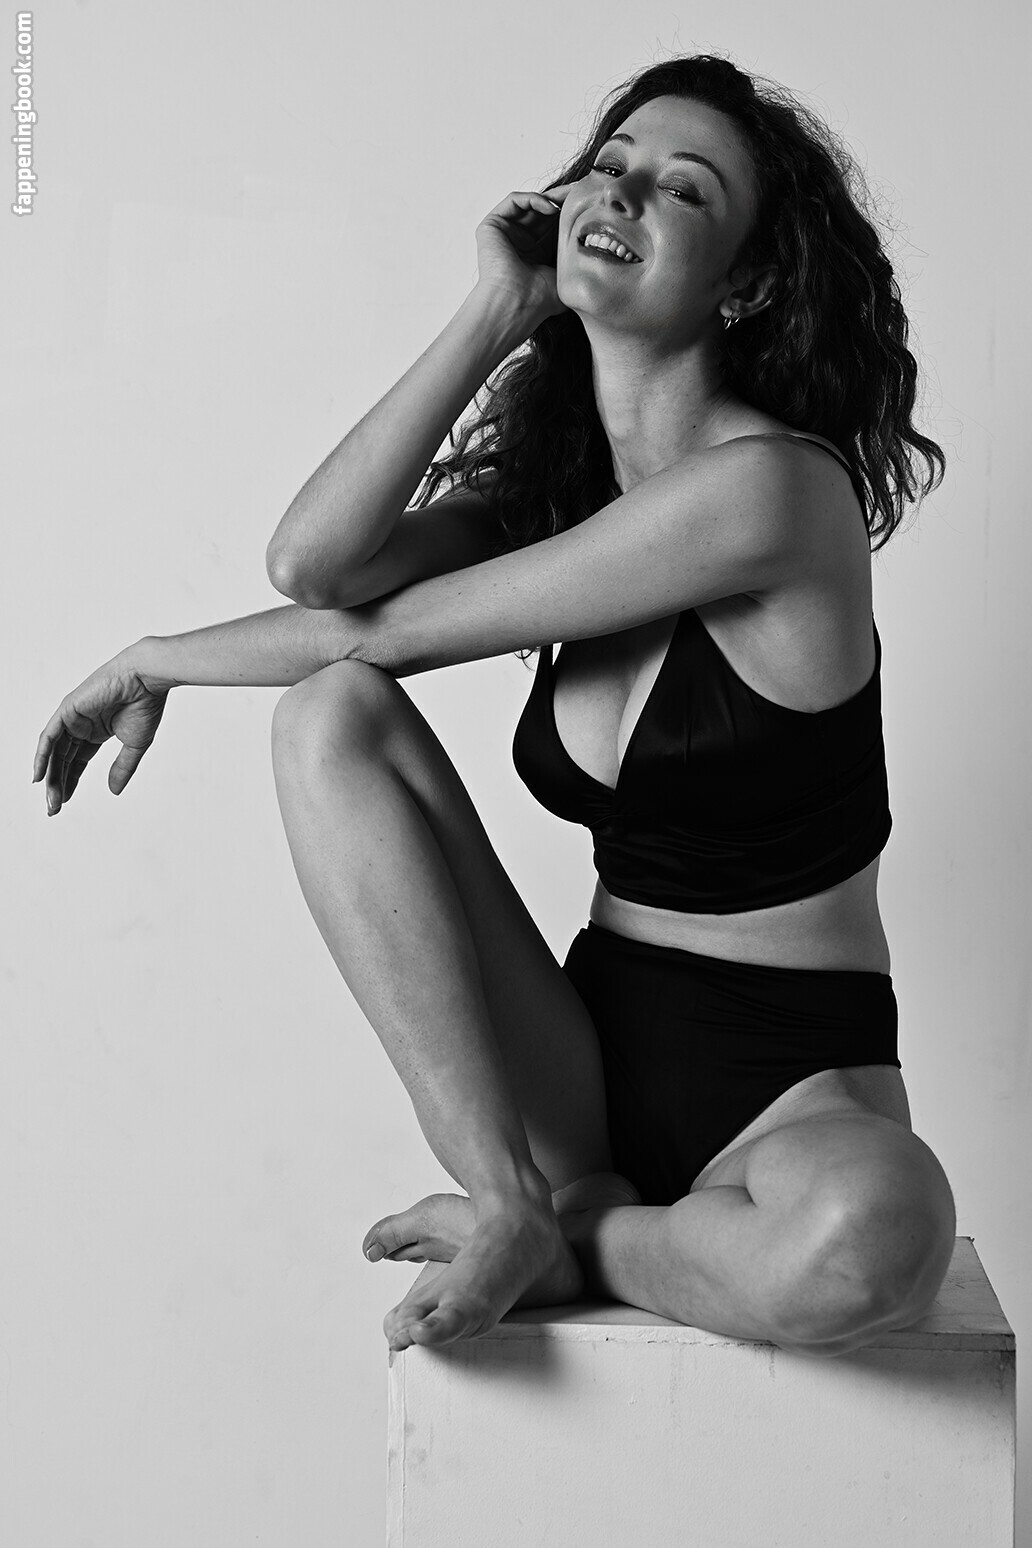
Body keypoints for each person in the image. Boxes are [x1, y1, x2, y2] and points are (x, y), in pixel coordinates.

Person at [34, 54, 957, 1360]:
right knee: (329, 715)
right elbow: (317, 570)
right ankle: (515, 1197)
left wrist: (158, 660)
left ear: (749, 284)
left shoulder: (776, 493)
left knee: (875, 1237)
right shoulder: (560, 493)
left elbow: (395, 628)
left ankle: (581, 1240)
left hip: (789, 1090)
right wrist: (497, 308)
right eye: (610, 166)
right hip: (581, 1057)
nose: (620, 193)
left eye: (681, 189)